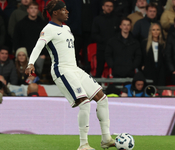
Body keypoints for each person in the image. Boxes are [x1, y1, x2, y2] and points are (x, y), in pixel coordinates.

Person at [25, 1, 115, 150]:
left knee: (103, 99)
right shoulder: (48, 29)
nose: (67, 12)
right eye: (64, 10)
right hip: (62, 70)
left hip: (74, 69)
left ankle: (106, 138)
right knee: (85, 103)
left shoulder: (66, 28)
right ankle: (83, 144)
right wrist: (30, 63)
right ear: (55, 13)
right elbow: (38, 46)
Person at [13, 1, 47, 76]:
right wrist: (20, 53)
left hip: (39, 55)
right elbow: (16, 40)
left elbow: (46, 40)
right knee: (25, 77)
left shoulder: (44, 25)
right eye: (31, 8)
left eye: (35, 8)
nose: (33, 10)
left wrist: (43, 53)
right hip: (25, 55)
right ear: (27, 10)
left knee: (37, 77)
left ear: (38, 10)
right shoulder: (20, 24)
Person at [92, 0, 120, 77]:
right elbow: (94, 34)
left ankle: (116, 87)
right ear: (103, 7)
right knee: (99, 69)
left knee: (115, 69)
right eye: (107, 6)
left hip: (114, 49)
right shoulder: (97, 19)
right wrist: (103, 40)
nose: (109, 8)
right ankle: (97, 87)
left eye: (111, 6)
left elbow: (118, 34)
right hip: (101, 48)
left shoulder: (117, 19)